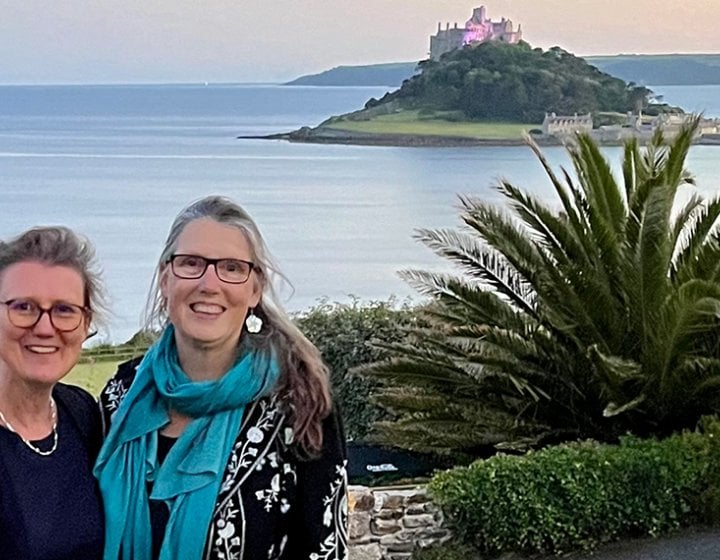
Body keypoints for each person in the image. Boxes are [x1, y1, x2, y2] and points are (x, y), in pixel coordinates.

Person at [95, 195, 348, 560]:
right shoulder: (122, 394)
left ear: (254, 289)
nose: (209, 284)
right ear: (166, 279)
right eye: (191, 263)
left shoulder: (300, 405)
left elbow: (323, 552)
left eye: (231, 268)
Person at [0, 226, 106, 559]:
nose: (45, 328)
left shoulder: (82, 413)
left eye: (64, 310)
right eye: (23, 307)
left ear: (86, 324)